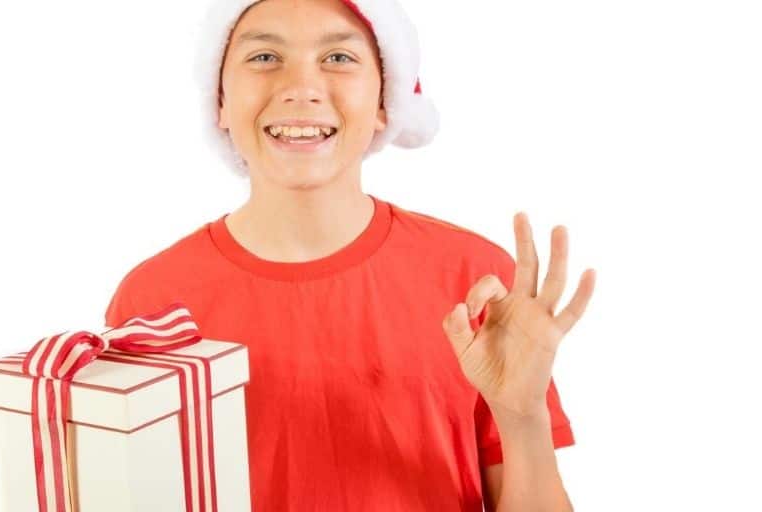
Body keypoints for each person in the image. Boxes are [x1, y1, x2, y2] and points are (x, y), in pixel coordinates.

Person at [104, 0, 595, 510]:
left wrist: (521, 416)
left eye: (339, 58)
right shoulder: (153, 302)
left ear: (386, 100)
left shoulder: (475, 281)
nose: (301, 87)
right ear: (221, 101)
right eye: (264, 57)